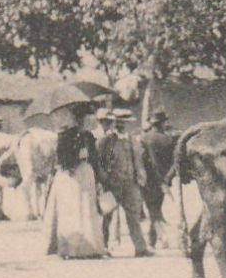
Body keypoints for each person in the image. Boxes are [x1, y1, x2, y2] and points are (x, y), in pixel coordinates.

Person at [44, 104, 107, 260]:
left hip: (86, 174)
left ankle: (90, 248)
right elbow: (61, 159)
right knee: (72, 211)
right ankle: (71, 248)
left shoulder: (89, 137)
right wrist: (76, 157)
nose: (81, 122)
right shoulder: (66, 135)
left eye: (84, 119)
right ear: (73, 119)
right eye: (78, 119)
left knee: (87, 209)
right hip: (70, 177)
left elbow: (95, 159)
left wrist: (99, 179)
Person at [99, 110, 151, 256]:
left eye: (125, 122)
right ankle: (103, 247)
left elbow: (138, 160)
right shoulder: (108, 141)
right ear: (114, 122)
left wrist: (139, 177)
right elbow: (101, 163)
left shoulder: (131, 139)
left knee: (133, 216)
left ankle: (140, 248)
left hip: (130, 183)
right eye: (119, 122)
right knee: (107, 216)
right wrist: (105, 181)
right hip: (113, 183)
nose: (122, 125)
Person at [138, 111, 179, 252]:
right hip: (163, 180)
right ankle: (152, 240)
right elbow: (175, 162)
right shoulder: (168, 140)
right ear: (162, 123)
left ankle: (162, 237)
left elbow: (142, 160)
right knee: (156, 208)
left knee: (153, 210)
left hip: (148, 179)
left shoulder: (144, 139)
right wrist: (168, 178)